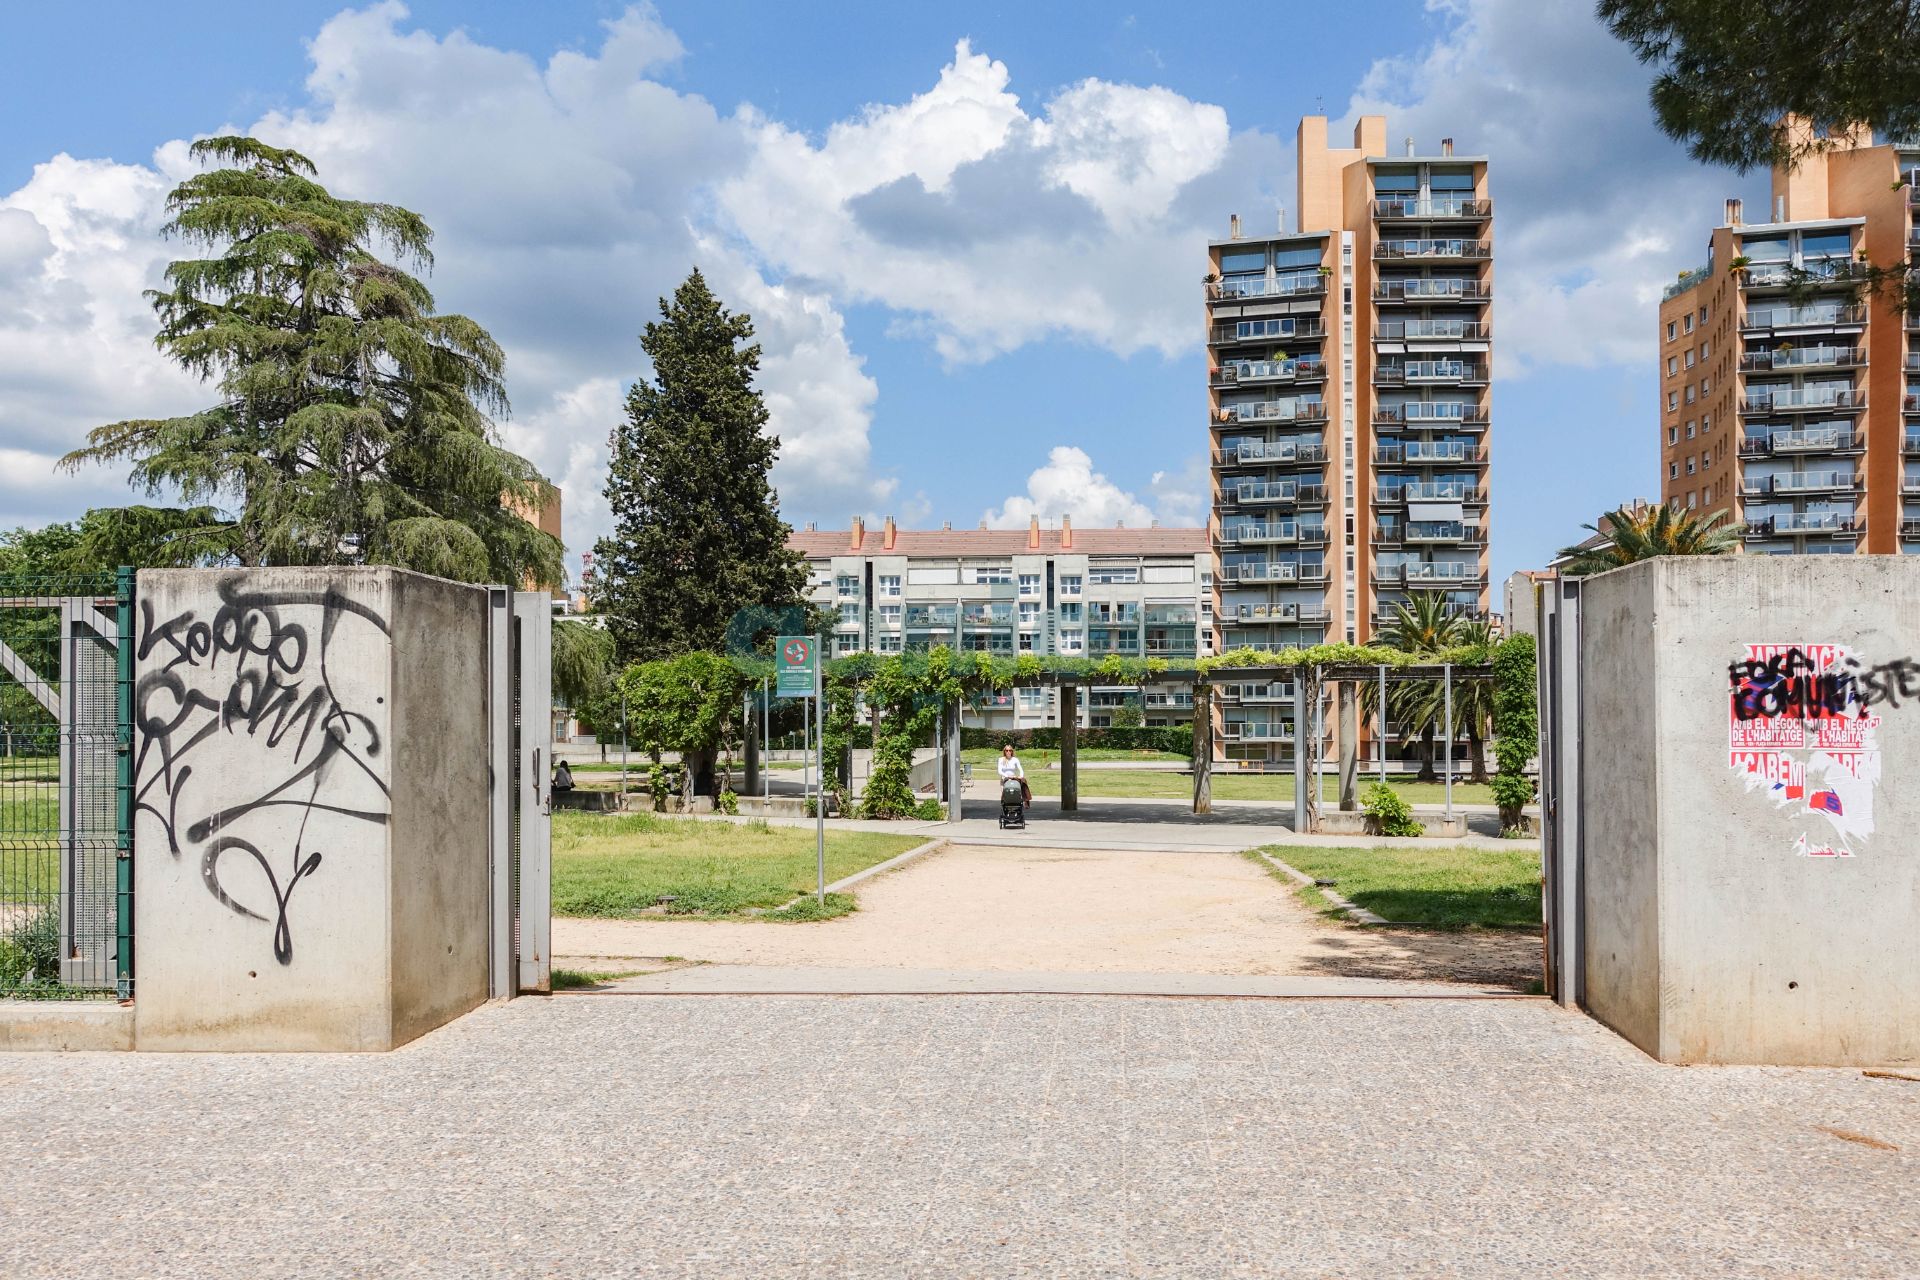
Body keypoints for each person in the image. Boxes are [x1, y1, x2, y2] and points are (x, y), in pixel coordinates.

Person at [997, 743, 1030, 810]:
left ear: (1012, 751)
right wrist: (1007, 776)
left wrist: (1021, 776)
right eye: (1007, 750)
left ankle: (1025, 800)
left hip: (1013, 777)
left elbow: (1020, 769)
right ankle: (1005, 806)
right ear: (1004, 751)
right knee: (1005, 793)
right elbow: (999, 771)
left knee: (1023, 782)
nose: (1008, 752)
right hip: (1005, 778)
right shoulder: (1001, 759)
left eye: (1010, 750)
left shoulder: (1015, 759)